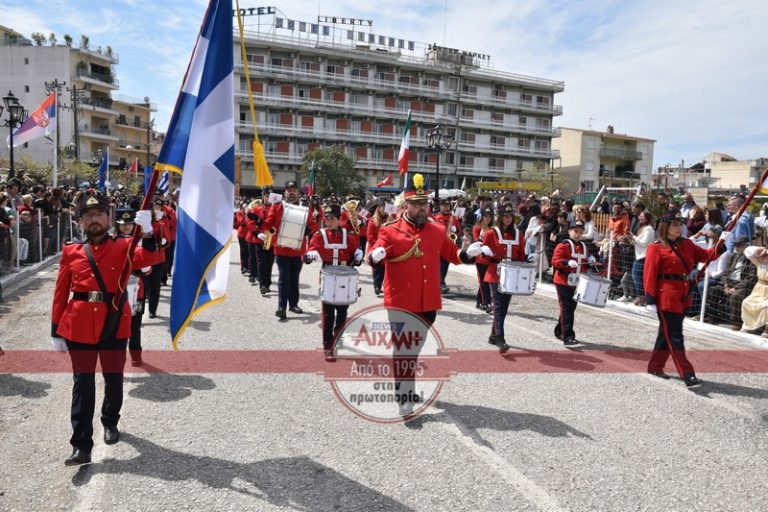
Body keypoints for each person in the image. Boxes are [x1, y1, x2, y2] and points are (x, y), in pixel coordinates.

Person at [50, 195, 157, 465]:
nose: (94, 219)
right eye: (88, 215)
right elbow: (61, 292)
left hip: (113, 323)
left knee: (113, 378)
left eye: (99, 214)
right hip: (79, 325)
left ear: (108, 219)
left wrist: (150, 233)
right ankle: (81, 444)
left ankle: (110, 421)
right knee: (82, 384)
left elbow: (150, 257)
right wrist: (55, 329)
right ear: (81, 221)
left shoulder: (124, 245)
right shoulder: (71, 251)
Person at [367, 174, 484, 417]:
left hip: (428, 302)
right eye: (417, 204)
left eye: (425, 204)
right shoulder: (390, 230)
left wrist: (468, 254)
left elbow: (453, 255)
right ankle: (405, 397)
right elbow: (374, 252)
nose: (422, 208)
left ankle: (404, 385)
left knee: (414, 348)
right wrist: (374, 257)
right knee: (405, 348)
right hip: (400, 301)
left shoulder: (437, 229)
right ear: (405, 205)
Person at [644, 212, 731, 387]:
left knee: (666, 333)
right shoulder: (656, 247)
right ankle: (687, 374)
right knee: (675, 336)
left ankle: (655, 366)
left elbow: (707, 256)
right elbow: (650, 275)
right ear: (665, 227)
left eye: (680, 224)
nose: (679, 227)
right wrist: (650, 299)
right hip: (666, 297)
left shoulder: (687, 244)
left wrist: (722, 241)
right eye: (674, 224)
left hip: (682, 295)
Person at [305, 204, 363, 361]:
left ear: (339, 220)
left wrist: (358, 256)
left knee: (342, 313)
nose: (329, 222)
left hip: (345, 278)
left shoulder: (349, 235)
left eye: (332, 219)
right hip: (328, 278)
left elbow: (354, 257)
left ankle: (337, 338)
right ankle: (328, 347)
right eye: (327, 219)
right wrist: (311, 255)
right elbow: (310, 252)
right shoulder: (319, 235)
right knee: (328, 314)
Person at [259, 181, 319, 319]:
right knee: (283, 277)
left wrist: (307, 230)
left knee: (294, 278)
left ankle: (293, 305)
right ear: (284, 193)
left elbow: (314, 226)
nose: (291, 192)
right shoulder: (277, 207)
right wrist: (259, 221)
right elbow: (268, 224)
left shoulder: (305, 209)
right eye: (289, 190)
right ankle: (281, 307)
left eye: (294, 190)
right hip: (281, 249)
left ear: (298, 193)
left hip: (297, 251)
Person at [114, 208, 162, 366]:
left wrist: (146, 268)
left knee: (134, 326)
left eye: (129, 224)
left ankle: (135, 355)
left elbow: (148, 267)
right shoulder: (111, 241)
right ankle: (115, 358)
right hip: (115, 291)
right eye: (123, 224)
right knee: (113, 327)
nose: (126, 227)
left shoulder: (140, 241)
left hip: (136, 291)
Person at [482, 203, 527, 352]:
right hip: (495, 274)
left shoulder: (518, 234)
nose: (508, 219)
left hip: (512, 275)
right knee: (499, 307)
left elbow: (521, 254)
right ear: (500, 217)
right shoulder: (490, 233)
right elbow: (483, 256)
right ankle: (501, 339)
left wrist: (525, 261)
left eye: (510, 216)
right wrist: (486, 254)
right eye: (505, 216)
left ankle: (494, 335)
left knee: (504, 308)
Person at [552, 221, 594, 346]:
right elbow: (555, 261)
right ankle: (568, 336)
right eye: (575, 231)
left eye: (581, 232)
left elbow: (584, 266)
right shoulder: (563, 245)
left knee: (571, 308)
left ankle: (559, 330)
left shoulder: (584, 247)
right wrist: (566, 262)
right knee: (566, 308)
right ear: (570, 231)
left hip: (577, 282)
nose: (578, 234)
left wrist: (591, 262)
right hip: (563, 281)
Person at [706, 237, 757, 329]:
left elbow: (751, 278)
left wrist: (735, 288)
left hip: (741, 286)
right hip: (729, 283)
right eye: (737, 245)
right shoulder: (733, 256)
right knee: (713, 290)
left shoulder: (752, 260)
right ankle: (712, 316)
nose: (738, 247)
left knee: (736, 296)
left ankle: (737, 322)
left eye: (740, 245)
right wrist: (726, 285)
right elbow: (726, 272)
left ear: (747, 245)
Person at [433, 198, 462, 293]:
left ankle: (440, 282)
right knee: (440, 265)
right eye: (444, 206)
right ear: (440, 206)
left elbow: (459, 232)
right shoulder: (435, 218)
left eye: (447, 206)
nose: (446, 208)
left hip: (449, 245)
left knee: (445, 265)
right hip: (438, 245)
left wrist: (455, 230)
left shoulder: (453, 218)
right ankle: (441, 283)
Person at [741, 245, 768, 337]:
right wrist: (762, 250)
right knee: (746, 302)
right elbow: (747, 250)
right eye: (765, 255)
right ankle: (748, 326)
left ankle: (767, 329)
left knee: (766, 307)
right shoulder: (758, 262)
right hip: (759, 290)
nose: (766, 257)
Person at [630, 211, 655, 306]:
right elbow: (638, 242)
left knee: (636, 276)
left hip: (644, 256)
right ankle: (641, 296)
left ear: (647, 218)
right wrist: (630, 239)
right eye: (639, 215)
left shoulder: (649, 229)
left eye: (642, 216)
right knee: (637, 277)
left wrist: (633, 237)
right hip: (639, 255)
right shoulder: (641, 228)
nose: (640, 217)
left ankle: (641, 296)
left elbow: (644, 243)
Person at [472, 207, 494, 313]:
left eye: (490, 216)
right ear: (482, 216)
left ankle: (478, 300)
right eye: (486, 216)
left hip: (491, 259)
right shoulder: (477, 227)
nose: (488, 218)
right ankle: (487, 303)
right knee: (483, 282)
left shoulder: (493, 229)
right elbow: (477, 241)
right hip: (481, 258)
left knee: (485, 281)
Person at [366, 199, 388, 296]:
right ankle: (377, 286)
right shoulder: (372, 220)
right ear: (379, 208)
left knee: (383, 268)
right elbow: (370, 236)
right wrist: (378, 245)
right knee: (377, 268)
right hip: (376, 247)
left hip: (386, 247)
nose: (385, 210)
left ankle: (379, 285)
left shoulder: (389, 219)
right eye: (383, 207)